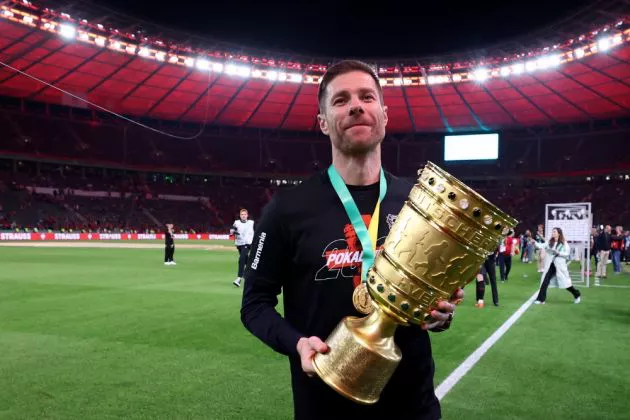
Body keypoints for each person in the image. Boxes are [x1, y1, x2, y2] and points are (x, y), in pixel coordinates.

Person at [240, 60, 460, 420]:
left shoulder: (419, 202)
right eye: (341, 100)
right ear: (323, 122)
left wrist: (439, 315)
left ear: (384, 115)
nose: (357, 105)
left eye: (367, 97)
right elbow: (254, 305)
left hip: (413, 405)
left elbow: (435, 305)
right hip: (325, 404)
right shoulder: (286, 209)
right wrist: (296, 344)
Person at [534, 227, 581, 304]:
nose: (553, 233)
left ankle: (577, 294)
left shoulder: (563, 243)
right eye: (552, 232)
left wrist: (559, 253)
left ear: (559, 233)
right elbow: (542, 245)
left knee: (566, 284)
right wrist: (534, 243)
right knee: (545, 281)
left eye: (554, 232)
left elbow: (567, 253)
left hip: (559, 266)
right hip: (551, 265)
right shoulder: (550, 242)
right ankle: (541, 299)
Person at [231, 208, 254, 287]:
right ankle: (252, 275)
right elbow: (232, 229)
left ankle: (239, 278)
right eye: (242, 214)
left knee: (241, 259)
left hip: (247, 244)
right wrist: (232, 231)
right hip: (239, 244)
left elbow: (258, 230)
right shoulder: (236, 222)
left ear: (247, 215)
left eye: (245, 214)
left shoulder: (251, 223)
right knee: (247, 261)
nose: (243, 216)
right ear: (240, 216)